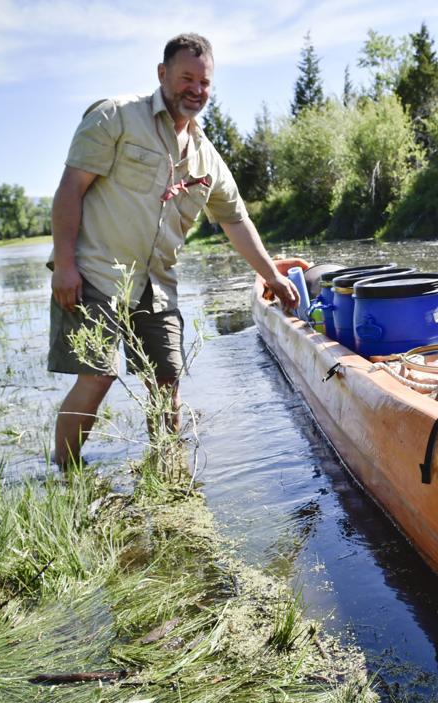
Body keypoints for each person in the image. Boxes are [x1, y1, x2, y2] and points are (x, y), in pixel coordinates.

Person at [48, 32, 299, 469]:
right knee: (99, 376)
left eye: (204, 83)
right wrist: (64, 264)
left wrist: (272, 274)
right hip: (95, 274)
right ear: (162, 74)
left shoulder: (207, 158)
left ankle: (168, 472)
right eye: (187, 78)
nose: (196, 90)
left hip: (157, 285)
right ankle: (65, 475)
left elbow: (235, 221)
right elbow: (71, 189)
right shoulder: (116, 117)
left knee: (166, 382)